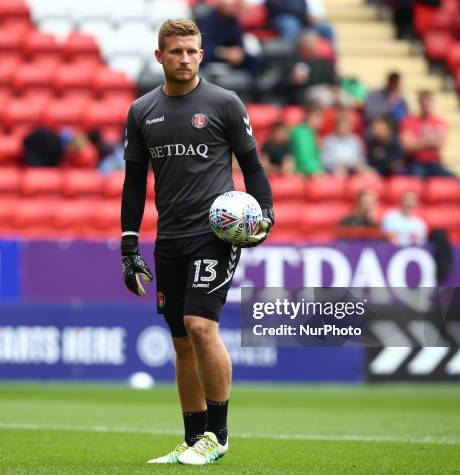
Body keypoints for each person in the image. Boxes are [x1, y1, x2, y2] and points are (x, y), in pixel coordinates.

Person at [120, 19, 274, 465]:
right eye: (175, 52)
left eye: (191, 51)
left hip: (215, 235)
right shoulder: (142, 111)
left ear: (201, 55)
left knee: (201, 326)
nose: (184, 58)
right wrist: (129, 246)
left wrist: (265, 215)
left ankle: (218, 436)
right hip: (169, 238)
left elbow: (253, 166)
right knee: (181, 340)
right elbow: (133, 184)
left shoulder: (224, 103)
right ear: (159, 57)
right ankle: (191, 440)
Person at [400, 91, 459, 179]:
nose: (425, 105)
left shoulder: (439, 122)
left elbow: (439, 144)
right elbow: (407, 145)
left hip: (435, 163)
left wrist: (418, 142)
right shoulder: (409, 121)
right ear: (419, 102)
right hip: (415, 162)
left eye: (428, 101)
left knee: (458, 181)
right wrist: (430, 142)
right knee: (416, 182)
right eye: (423, 101)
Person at [282, 30, 346, 106]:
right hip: (308, 92)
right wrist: (293, 79)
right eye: (311, 43)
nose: (315, 46)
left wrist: (335, 87)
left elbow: (332, 79)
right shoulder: (293, 61)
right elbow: (285, 83)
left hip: (326, 89)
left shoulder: (322, 61)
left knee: (344, 99)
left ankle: (342, 118)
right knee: (324, 99)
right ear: (303, 45)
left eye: (315, 43)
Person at [198, 0, 256, 72]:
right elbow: (204, 45)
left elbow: (239, 43)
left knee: (254, 59)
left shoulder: (234, 21)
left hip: (232, 59)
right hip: (212, 57)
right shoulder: (206, 20)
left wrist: (238, 52)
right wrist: (224, 53)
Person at [289, 103, 323, 176]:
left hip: (313, 172)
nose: (320, 120)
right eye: (317, 116)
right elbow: (303, 157)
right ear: (308, 116)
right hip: (304, 174)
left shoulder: (312, 133)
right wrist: (316, 171)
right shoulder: (301, 132)